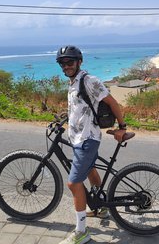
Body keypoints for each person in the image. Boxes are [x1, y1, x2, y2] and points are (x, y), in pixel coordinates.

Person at [56, 45, 127, 244]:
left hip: (87, 139)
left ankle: (81, 232)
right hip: (78, 138)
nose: (66, 66)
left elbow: (113, 103)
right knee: (90, 170)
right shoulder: (73, 83)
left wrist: (122, 127)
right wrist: (64, 119)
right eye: (62, 63)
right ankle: (102, 207)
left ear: (79, 62)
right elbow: (79, 109)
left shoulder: (90, 81)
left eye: (70, 62)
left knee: (73, 183)